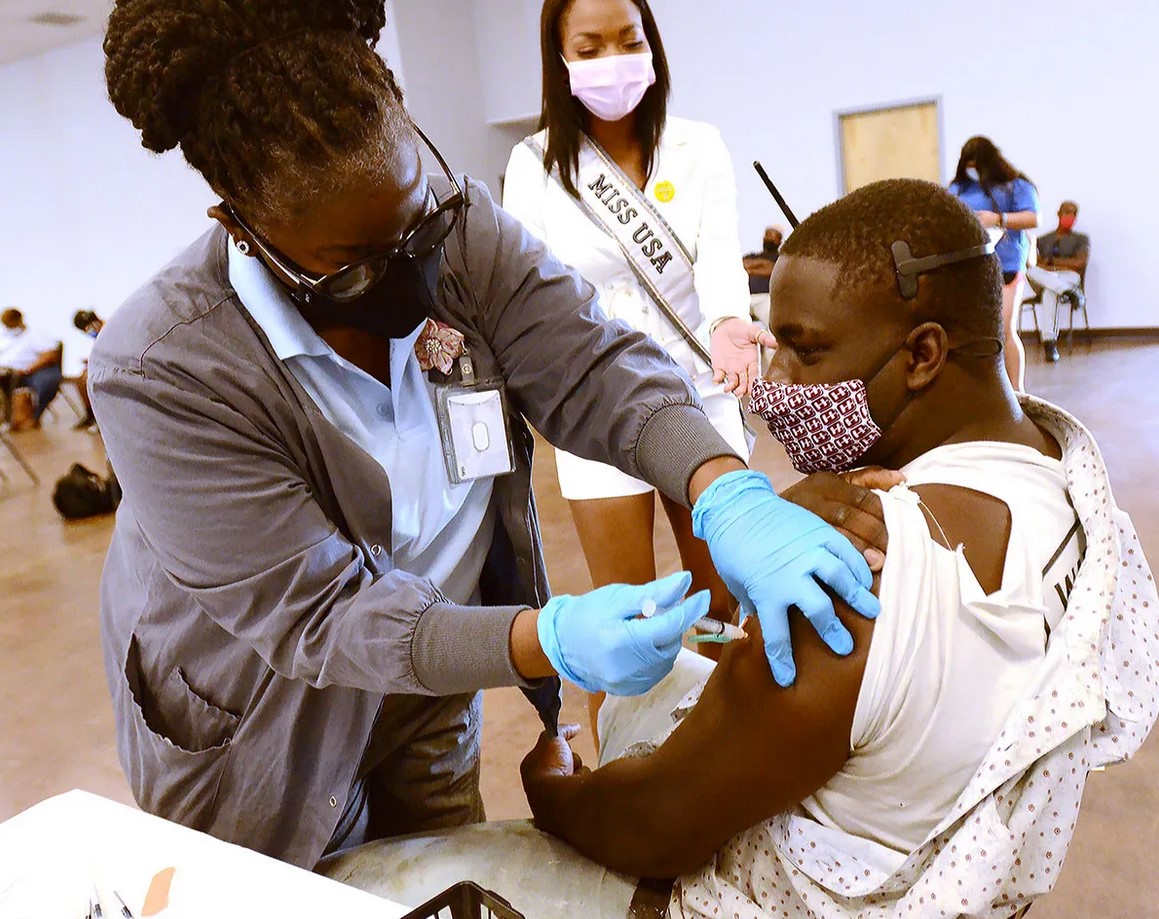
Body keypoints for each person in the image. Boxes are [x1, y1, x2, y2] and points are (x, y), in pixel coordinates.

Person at [95, 0, 883, 870]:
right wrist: (547, 638)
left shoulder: (457, 225)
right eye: (353, 265)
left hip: (438, 667)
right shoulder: (160, 368)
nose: (410, 268)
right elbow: (321, 615)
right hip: (265, 714)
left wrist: (723, 488)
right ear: (239, 226)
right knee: (300, 886)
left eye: (416, 226)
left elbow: (591, 365)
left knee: (441, 866)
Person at [321, 180, 1158, 919]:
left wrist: (552, 787)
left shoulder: (854, 568)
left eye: (806, 348)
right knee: (659, 687)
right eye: (773, 343)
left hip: (737, 890)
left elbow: (648, 827)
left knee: (352, 886)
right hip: (919, 836)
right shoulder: (1060, 476)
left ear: (922, 353)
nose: (776, 381)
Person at [503, 0, 771, 726]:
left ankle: (726, 750)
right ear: (560, 59)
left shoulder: (698, 145)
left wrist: (729, 320)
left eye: (628, 40)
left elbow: (720, 253)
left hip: (702, 392)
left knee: (722, 605)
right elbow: (529, 289)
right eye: (589, 47)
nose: (611, 60)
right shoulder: (533, 165)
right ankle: (631, 769)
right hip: (596, 409)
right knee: (625, 622)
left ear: (651, 45)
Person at [949, 136, 1039, 391]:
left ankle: (1017, 392)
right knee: (974, 332)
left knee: (1005, 328)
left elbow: (1033, 218)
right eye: (968, 165)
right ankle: (986, 389)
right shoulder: (958, 188)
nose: (972, 170)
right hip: (970, 267)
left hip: (1007, 265)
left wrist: (999, 218)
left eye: (976, 165)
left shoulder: (1016, 186)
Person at [1027, 201, 1090, 363]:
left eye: (1073, 213)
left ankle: (1049, 344)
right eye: (1067, 212)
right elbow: (1034, 262)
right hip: (1046, 277)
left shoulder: (1081, 239)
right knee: (1030, 270)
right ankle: (1069, 293)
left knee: (1050, 292)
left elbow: (1079, 263)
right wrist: (1054, 266)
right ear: (1059, 214)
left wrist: (1051, 263)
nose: (1070, 216)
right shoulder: (1043, 240)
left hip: (1068, 277)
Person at [0, 308, 63, 430]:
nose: (9, 327)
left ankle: (29, 417)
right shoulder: (4, 337)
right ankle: (7, 418)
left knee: (47, 381)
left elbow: (50, 354)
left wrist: (28, 369)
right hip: (5, 370)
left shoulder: (35, 335)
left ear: (19, 320)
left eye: (11, 324)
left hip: (28, 371)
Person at [71, 309, 105, 429]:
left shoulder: (107, 329)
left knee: (86, 379)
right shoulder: (98, 333)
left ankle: (100, 417)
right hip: (102, 362)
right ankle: (90, 414)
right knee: (80, 380)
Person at [743, 225, 784, 296]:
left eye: (773, 237)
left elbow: (774, 269)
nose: (770, 238)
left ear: (779, 241)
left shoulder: (780, 258)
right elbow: (740, 265)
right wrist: (763, 265)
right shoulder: (752, 256)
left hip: (767, 296)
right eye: (768, 235)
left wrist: (749, 270)